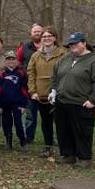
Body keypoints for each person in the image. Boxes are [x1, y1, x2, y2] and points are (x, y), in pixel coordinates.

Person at [52, 32, 95, 166]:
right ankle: (68, 155)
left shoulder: (94, 61)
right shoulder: (65, 59)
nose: (73, 46)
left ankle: (84, 158)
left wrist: (93, 100)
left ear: (84, 43)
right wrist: (54, 91)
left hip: (81, 103)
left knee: (82, 131)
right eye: (70, 44)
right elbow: (54, 76)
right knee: (64, 130)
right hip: (62, 101)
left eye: (76, 43)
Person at [27, 27, 66, 157]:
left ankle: (64, 149)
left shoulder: (63, 54)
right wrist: (33, 91)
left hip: (60, 94)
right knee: (46, 122)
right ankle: (48, 147)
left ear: (54, 38)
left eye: (49, 36)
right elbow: (31, 73)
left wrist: (60, 90)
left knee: (61, 122)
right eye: (44, 37)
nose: (46, 38)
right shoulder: (36, 55)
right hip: (41, 95)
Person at [0, 51, 29, 151]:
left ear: (17, 60)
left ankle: (22, 141)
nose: (11, 61)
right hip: (5, 104)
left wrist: (23, 105)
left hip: (17, 103)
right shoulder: (2, 73)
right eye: (8, 59)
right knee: (6, 123)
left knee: (18, 123)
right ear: (5, 61)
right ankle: (8, 141)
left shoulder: (21, 73)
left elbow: (24, 90)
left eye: (13, 59)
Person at [18, 23, 44, 144]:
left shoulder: (49, 46)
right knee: (30, 114)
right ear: (31, 33)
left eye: (39, 31)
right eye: (35, 31)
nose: (37, 33)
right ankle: (29, 137)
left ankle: (49, 138)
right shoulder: (24, 48)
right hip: (29, 85)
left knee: (48, 115)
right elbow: (18, 64)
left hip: (46, 85)